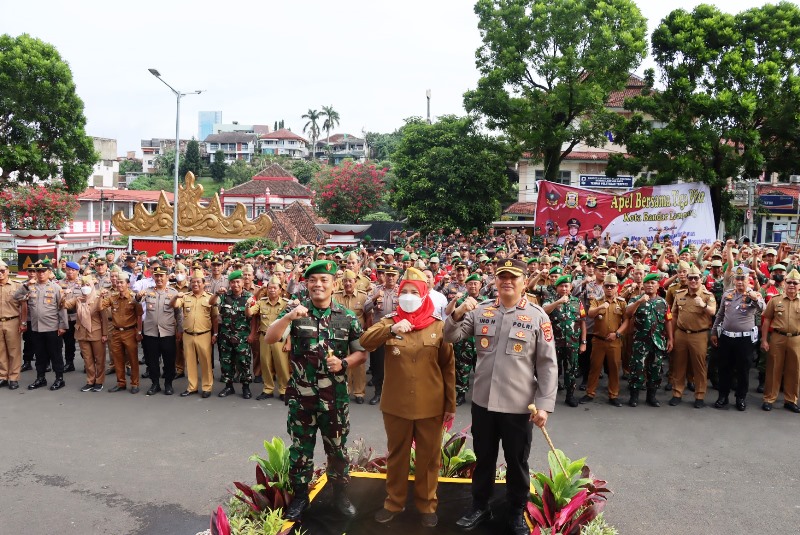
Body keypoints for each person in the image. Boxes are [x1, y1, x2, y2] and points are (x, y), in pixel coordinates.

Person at [445, 258, 557, 535]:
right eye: (501, 276)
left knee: (517, 460)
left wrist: (544, 405)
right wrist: (458, 312)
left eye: (513, 277)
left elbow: (547, 364)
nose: (507, 281)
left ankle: (516, 509)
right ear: (495, 280)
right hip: (483, 402)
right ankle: (479, 505)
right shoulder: (481, 310)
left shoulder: (537, 316)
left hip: (519, 405)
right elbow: (451, 337)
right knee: (484, 457)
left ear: (523, 281)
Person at [265, 259, 367, 522]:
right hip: (302, 398)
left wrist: (344, 363)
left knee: (337, 450)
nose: (318, 285)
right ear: (306, 284)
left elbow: (361, 352)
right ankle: (301, 497)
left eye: (324, 280)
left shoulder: (347, 317)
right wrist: (288, 316)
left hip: (335, 399)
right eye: (313, 280)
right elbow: (270, 337)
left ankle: (340, 495)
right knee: (300, 450)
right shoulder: (297, 313)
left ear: (334, 285)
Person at [360, 267, 455, 528]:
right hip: (396, 404)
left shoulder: (438, 326)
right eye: (405, 292)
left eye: (415, 292)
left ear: (425, 296)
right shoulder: (390, 321)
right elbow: (365, 342)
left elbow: (448, 368)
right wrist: (390, 330)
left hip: (431, 404)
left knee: (428, 458)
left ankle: (427, 504)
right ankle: (394, 502)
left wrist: (450, 405)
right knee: (397, 455)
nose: (409, 296)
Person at [711, 265, 764, 411]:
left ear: (748, 280)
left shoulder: (754, 295)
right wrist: (714, 332)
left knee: (743, 370)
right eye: (737, 279)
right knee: (724, 369)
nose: (740, 282)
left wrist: (756, 299)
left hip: (744, 340)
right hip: (727, 337)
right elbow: (720, 314)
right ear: (734, 280)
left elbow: (763, 308)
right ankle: (723, 396)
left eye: (743, 279)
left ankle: (741, 398)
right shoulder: (727, 294)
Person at [15, 261, 68, 391]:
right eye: (38, 272)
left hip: (52, 327)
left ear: (49, 272)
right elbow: (16, 297)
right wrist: (26, 285)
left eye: (43, 271)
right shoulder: (30, 287)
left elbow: (62, 308)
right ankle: (40, 378)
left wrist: (62, 326)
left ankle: (59, 378)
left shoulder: (55, 288)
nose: (40, 274)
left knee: (55, 354)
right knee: (39, 354)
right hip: (36, 327)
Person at [625, 273, 673, 407]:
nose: (650, 285)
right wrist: (639, 302)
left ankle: (651, 397)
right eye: (648, 283)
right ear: (643, 285)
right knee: (637, 368)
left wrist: (670, 339)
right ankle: (634, 396)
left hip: (657, 341)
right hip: (640, 341)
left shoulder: (662, 302)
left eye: (653, 283)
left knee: (656, 369)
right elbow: (628, 313)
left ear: (658, 286)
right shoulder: (636, 299)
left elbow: (668, 321)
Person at [581, 272, 629, 407]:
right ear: (603, 288)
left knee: (614, 368)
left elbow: (626, 321)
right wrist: (602, 306)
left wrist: (617, 333)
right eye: (606, 286)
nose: (609, 288)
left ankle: (613, 395)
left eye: (612, 286)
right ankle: (590, 392)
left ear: (617, 288)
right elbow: (590, 314)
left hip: (614, 341)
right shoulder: (596, 301)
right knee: (594, 367)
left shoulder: (622, 303)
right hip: (598, 340)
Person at [171, 269, 218, 398]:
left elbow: (214, 317)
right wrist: (176, 296)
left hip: (204, 334)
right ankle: (192, 387)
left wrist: (215, 334)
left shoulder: (209, 298)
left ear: (204, 283)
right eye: (193, 282)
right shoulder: (185, 297)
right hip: (188, 334)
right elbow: (174, 305)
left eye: (198, 282)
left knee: (206, 362)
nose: (195, 284)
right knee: (190, 362)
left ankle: (207, 387)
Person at [542, 274, 586, 407]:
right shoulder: (549, 299)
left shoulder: (577, 302)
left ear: (571, 287)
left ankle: (570, 395)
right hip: (554, 343)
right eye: (561, 286)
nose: (564, 288)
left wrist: (583, 342)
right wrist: (558, 302)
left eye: (566, 286)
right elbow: (544, 311)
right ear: (557, 288)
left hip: (572, 342)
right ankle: (549, 395)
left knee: (571, 369)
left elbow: (582, 322)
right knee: (552, 370)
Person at [760, 268, 800, 412]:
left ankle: (791, 400)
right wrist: (764, 340)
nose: (792, 285)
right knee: (773, 368)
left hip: (796, 339)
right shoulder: (775, 300)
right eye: (789, 282)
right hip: (778, 337)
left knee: (794, 370)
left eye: (795, 283)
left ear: (799, 285)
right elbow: (766, 321)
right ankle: (769, 398)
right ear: (784, 284)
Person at [137, 266, 182, 396]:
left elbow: (179, 313)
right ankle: (155, 384)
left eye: (162, 276)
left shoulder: (173, 292)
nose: (159, 278)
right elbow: (137, 300)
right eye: (156, 276)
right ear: (153, 277)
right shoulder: (147, 291)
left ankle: (168, 384)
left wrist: (180, 330)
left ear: (167, 277)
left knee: (169, 360)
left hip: (167, 332)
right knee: (152, 361)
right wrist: (137, 295)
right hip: (150, 332)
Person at [446, 273, 487, 406]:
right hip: (463, 341)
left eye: (476, 283)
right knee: (462, 369)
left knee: (481, 370)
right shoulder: (460, 300)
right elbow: (449, 314)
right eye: (470, 284)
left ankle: (482, 395)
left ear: (480, 285)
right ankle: (461, 394)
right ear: (466, 285)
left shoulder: (486, 301)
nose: (473, 286)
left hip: (481, 341)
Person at [247, 276, 290, 401]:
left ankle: (284, 390)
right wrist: (248, 304)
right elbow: (250, 313)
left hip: (279, 338)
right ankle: (268, 389)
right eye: (269, 288)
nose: (272, 290)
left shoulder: (286, 304)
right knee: (265, 363)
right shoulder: (261, 302)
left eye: (274, 288)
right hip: (264, 337)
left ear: (280, 290)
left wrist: (289, 342)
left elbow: (290, 324)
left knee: (281, 365)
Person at [212, 270, 253, 399]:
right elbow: (211, 303)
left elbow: (251, 316)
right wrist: (216, 293)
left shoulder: (249, 297)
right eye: (233, 282)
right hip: (226, 336)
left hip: (242, 337)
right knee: (226, 362)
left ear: (242, 282)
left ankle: (245, 387)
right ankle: (228, 387)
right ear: (229, 283)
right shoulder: (224, 296)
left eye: (237, 282)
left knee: (244, 362)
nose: (235, 284)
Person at [100, 272, 143, 394]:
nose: (119, 284)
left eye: (121, 282)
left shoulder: (134, 298)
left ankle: (135, 383)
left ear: (127, 284)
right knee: (118, 359)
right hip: (116, 332)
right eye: (117, 282)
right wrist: (100, 296)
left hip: (130, 331)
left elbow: (139, 316)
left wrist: (139, 332)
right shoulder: (112, 298)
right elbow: (99, 307)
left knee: (133, 359)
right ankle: (121, 383)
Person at [63, 275, 107, 392]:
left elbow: (104, 318)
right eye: (83, 285)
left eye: (88, 285)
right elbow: (64, 305)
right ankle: (90, 380)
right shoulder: (78, 299)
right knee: (87, 359)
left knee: (99, 358)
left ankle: (99, 381)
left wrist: (105, 334)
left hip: (96, 332)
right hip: (82, 333)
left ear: (92, 286)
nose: (85, 287)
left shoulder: (98, 298)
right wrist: (63, 294)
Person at [364, 264, 400, 405]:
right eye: (388, 275)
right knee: (378, 364)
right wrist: (374, 298)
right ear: (384, 275)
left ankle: (394, 394)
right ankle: (378, 392)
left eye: (393, 275)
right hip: (379, 331)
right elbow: (365, 308)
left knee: (396, 364)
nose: (390, 277)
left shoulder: (402, 291)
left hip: (396, 331)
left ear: (397, 276)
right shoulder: (376, 289)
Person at [332, 269, 369, 404]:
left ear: (355, 282)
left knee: (359, 364)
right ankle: (345, 390)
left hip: (358, 335)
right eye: (345, 281)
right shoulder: (335, 296)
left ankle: (359, 392)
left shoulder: (363, 297)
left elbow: (367, 316)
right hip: (340, 334)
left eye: (350, 281)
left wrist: (367, 333)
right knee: (344, 362)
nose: (347, 283)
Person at [0, 260, 24, 390]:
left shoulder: (16, 286)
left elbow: (24, 306)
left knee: (14, 351)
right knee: (1, 351)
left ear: (8, 271)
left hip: (12, 321)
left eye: (2, 271)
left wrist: (23, 322)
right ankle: (3, 376)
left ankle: (14, 377)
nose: (0, 274)